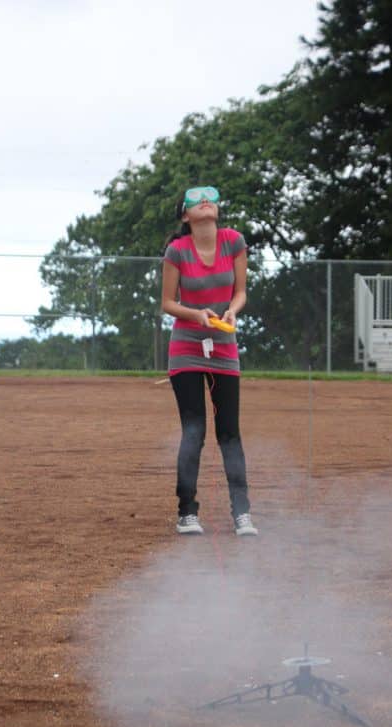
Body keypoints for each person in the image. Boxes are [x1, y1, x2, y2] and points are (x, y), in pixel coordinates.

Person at [161, 185, 258, 537]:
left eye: (211, 198)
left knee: (229, 431)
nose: (206, 202)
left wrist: (231, 311)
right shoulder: (177, 251)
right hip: (186, 347)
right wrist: (195, 315)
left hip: (224, 346)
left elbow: (241, 291)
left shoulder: (234, 241)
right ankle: (187, 512)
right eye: (197, 200)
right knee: (194, 430)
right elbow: (167, 303)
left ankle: (242, 514)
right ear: (186, 215)